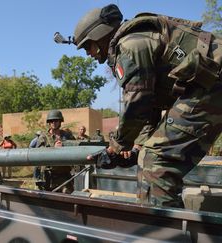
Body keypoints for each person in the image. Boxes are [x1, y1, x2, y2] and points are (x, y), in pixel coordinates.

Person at [69, 4, 222, 207]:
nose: (89, 53)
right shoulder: (138, 39)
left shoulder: (130, 45)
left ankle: (165, 233)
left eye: (88, 46)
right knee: (146, 153)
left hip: (211, 84)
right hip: (209, 83)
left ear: (99, 35)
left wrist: (116, 147)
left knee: (155, 162)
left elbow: (138, 102)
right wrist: (137, 146)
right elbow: (151, 106)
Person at [36, 110, 75, 193]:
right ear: (49, 123)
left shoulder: (67, 135)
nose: (54, 123)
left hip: (64, 174)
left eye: (56, 120)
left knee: (67, 197)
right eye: (51, 121)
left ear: (60, 121)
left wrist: (64, 147)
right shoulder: (43, 137)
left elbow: (76, 149)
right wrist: (54, 148)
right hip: (49, 176)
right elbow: (39, 155)